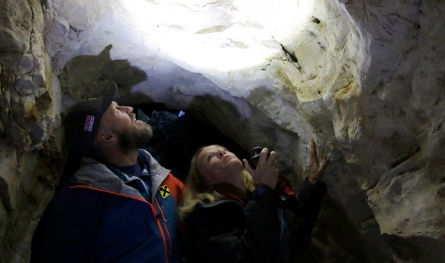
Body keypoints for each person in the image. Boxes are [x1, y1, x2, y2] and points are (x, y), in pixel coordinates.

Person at [33, 81, 184, 263]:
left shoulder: (160, 176)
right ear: (106, 137)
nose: (129, 108)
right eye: (117, 110)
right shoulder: (80, 199)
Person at [179, 139, 330, 263]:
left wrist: (312, 184)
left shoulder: (251, 198)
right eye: (210, 157)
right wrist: (263, 192)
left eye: (221, 148)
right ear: (205, 183)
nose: (221, 152)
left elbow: (292, 239)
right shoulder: (207, 218)